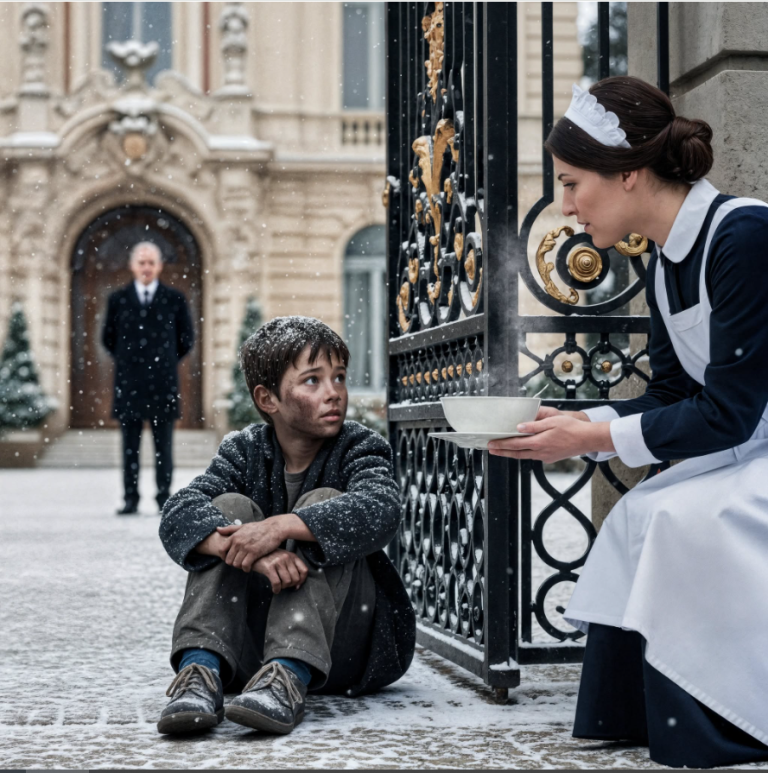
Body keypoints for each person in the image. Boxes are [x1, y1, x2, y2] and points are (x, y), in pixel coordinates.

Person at [488, 76, 768, 768]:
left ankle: (727, 720)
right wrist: (577, 420)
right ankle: (645, 712)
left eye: (571, 182)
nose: (565, 206)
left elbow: (730, 410)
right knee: (640, 512)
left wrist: (595, 435)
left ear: (631, 174)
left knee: (683, 519)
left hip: (751, 442)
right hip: (749, 445)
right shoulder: (670, 261)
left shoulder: (744, 236)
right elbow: (674, 391)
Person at [156, 316, 415, 736]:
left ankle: (288, 674)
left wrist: (282, 527)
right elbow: (179, 513)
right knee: (227, 506)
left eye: (340, 377)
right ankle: (199, 675)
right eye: (312, 381)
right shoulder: (244, 451)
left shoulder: (359, 447)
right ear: (268, 398)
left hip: (343, 650)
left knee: (327, 503)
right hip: (247, 653)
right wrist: (247, 550)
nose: (334, 393)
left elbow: (381, 509)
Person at [102, 241, 194, 515]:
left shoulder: (175, 299)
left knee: (163, 448)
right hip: (128, 383)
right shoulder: (117, 300)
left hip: (163, 383)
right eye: (141, 262)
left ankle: (163, 498)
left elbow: (186, 339)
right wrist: (131, 361)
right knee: (129, 447)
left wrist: (163, 361)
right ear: (132, 266)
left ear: (159, 266)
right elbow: (108, 338)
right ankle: (130, 499)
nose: (146, 267)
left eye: (151, 262)